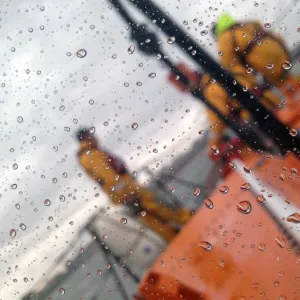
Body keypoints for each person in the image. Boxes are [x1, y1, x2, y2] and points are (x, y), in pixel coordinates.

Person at [76, 127, 193, 242]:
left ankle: (173, 236)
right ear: (87, 137)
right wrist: (127, 194)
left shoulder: (87, 155)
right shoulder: (91, 155)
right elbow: (110, 177)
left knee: (148, 217)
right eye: (91, 134)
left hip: (123, 192)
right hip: (128, 191)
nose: (95, 137)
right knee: (157, 204)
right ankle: (186, 219)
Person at [168, 63, 279, 154]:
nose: (187, 91)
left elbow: (218, 124)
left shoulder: (209, 94)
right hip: (272, 103)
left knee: (261, 149)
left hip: (262, 123)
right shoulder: (217, 71)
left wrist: (213, 146)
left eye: (185, 88)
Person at [212, 13, 300, 99]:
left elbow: (232, 67)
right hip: (280, 51)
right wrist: (284, 48)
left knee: (283, 83)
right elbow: (271, 34)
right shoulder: (247, 25)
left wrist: (250, 85)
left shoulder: (223, 40)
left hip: (265, 64)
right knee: (287, 78)